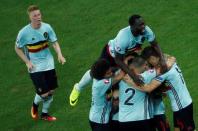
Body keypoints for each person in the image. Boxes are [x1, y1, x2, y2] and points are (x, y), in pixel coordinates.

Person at [69, 14, 166, 106]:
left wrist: (162, 60)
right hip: (111, 55)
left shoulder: (146, 30)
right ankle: (78, 87)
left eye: (143, 23)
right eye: (140, 25)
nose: (143, 27)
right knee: (96, 73)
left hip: (127, 53)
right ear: (132, 26)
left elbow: (155, 44)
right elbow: (118, 60)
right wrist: (133, 76)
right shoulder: (123, 37)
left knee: (138, 66)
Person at [15, 5, 66, 121]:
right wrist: (27, 62)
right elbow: (17, 48)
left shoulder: (47, 27)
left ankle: (44, 114)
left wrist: (59, 54)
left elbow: (54, 42)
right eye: (35, 16)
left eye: (39, 14)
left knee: (51, 91)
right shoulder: (23, 33)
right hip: (35, 66)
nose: (38, 17)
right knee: (44, 94)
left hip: (49, 63)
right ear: (30, 18)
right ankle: (35, 105)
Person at [126, 46, 195, 131]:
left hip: (181, 107)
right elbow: (171, 58)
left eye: (148, 61)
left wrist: (131, 83)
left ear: (151, 58)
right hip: (183, 104)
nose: (148, 64)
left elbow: (149, 88)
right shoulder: (168, 61)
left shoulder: (164, 71)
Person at [86, 59, 124, 131]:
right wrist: (125, 64)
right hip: (100, 121)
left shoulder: (98, 78)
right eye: (108, 73)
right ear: (101, 75)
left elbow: (107, 96)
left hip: (97, 118)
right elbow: (120, 76)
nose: (110, 74)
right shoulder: (101, 83)